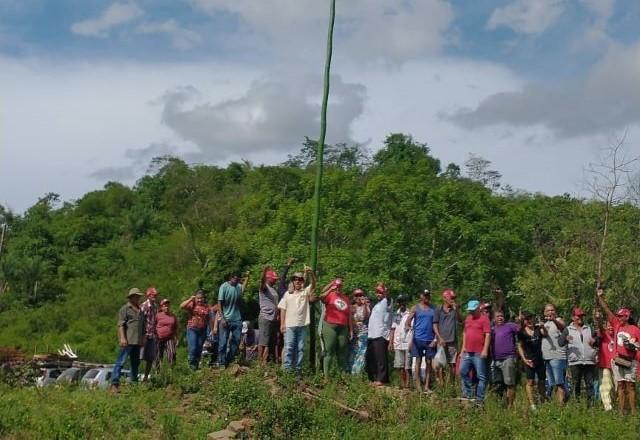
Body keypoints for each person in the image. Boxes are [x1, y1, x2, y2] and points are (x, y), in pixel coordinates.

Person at [597, 288, 640, 414]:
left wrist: (633, 345)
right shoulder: (616, 325)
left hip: (631, 361)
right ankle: (621, 412)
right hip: (618, 359)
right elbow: (608, 312)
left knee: (630, 386)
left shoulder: (634, 329)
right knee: (620, 385)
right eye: (619, 316)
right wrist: (600, 298)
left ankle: (633, 411)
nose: (619, 317)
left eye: (621, 316)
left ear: (627, 316)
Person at [277, 266, 317, 373]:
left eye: (300, 279)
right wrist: (282, 324)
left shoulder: (305, 292)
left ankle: (297, 370)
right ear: (293, 282)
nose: (298, 281)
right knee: (289, 347)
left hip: (302, 325)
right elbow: (283, 309)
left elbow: (314, 284)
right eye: (296, 279)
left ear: (302, 282)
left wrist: (311, 273)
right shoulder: (287, 294)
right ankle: (287, 370)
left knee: (300, 348)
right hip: (289, 325)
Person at [405, 289, 442, 393]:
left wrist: (436, 339)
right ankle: (418, 386)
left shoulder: (434, 308)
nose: (427, 297)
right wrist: (407, 326)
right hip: (418, 339)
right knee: (417, 361)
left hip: (430, 339)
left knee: (429, 362)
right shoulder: (415, 308)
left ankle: (426, 386)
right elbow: (408, 320)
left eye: (428, 295)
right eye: (425, 295)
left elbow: (436, 324)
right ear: (421, 296)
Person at [110, 288, 146, 393]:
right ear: (131, 297)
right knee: (120, 362)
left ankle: (134, 384)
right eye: (136, 296)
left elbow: (143, 326)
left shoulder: (141, 310)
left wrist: (143, 338)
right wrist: (122, 337)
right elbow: (121, 324)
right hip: (128, 340)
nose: (138, 298)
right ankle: (114, 384)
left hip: (137, 341)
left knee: (135, 363)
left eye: (139, 296)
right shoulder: (125, 309)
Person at [561, 307, 597, 405]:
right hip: (575, 362)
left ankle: (591, 406)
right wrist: (566, 339)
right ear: (573, 317)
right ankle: (577, 405)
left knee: (590, 384)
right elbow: (560, 342)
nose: (580, 318)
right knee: (576, 384)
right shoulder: (567, 329)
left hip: (589, 361)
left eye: (582, 316)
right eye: (578, 316)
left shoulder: (589, 328)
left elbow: (597, 341)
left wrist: (595, 341)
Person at [459, 300, 491, 404]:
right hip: (468, 351)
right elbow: (465, 333)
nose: (471, 312)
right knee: (462, 371)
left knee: (481, 376)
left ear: (478, 309)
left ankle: (479, 399)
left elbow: (487, 334)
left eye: (473, 310)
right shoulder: (468, 319)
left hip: (479, 352)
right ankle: (469, 393)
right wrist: (463, 348)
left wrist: (485, 349)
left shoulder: (484, 319)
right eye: (470, 310)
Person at [320, 277, 352, 376]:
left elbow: (349, 315)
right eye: (337, 286)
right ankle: (326, 376)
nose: (338, 288)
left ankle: (341, 374)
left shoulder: (346, 298)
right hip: (330, 325)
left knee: (342, 350)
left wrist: (350, 330)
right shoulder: (330, 295)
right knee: (329, 350)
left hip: (343, 327)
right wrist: (331, 287)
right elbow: (321, 296)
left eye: (340, 286)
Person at [218, 272, 250, 368]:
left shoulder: (238, 287)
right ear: (231, 278)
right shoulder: (223, 287)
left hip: (237, 319)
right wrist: (222, 318)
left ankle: (228, 360)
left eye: (238, 279)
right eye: (236, 279)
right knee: (223, 343)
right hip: (226, 319)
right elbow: (219, 303)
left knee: (236, 342)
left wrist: (247, 278)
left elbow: (243, 288)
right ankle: (221, 363)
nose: (237, 281)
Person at [517, 311, 547, 410]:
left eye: (530, 318)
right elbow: (520, 346)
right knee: (530, 381)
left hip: (540, 359)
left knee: (542, 381)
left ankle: (543, 401)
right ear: (524, 321)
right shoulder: (521, 332)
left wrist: (542, 326)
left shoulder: (538, 329)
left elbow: (545, 334)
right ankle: (532, 404)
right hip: (529, 360)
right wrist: (524, 359)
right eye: (527, 319)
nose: (529, 321)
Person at [491, 310, 519, 408]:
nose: (500, 318)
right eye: (498, 316)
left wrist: (520, 321)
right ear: (494, 319)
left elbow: (520, 329)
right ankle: (499, 405)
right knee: (497, 384)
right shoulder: (492, 329)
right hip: (495, 360)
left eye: (501, 316)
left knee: (510, 383)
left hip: (508, 358)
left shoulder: (510, 326)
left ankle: (510, 406)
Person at [435, 289, 463, 386]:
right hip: (441, 341)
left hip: (453, 341)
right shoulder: (439, 309)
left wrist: (457, 310)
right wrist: (439, 338)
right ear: (444, 298)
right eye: (451, 298)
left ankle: (452, 385)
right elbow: (435, 325)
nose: (452, 300)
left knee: (452, 364)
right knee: (441, 364)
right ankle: (441, 386)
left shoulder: (455, 310)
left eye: (454, 298)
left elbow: (461, 321)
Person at [366, 283, 393, 385]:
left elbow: (389, 297)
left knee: (381, 358)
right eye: (377, 292)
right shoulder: (377, 304)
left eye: (380, 292)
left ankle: (382, 379)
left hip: (381, 334)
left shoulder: (387, 302)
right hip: (372, 335)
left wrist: (385, 290)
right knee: (372, 357)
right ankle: (375, 378)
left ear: (384, 293)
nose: (378, 294)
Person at [180, 290, 214, 370]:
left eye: (201, 298)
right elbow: (182, 306)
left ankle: (196, 366)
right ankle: (191, 365)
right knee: (193, 348)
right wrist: (190, 299)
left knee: (199, 348)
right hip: (192, 329)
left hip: (203, 330)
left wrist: (212, 330)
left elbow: (209, 319)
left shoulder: (207, 307)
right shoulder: (192, 305)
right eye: (198, 298)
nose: (199, 300)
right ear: (195, 298)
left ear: (203, 298)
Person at [541, 303, 567, 404]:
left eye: (552, 310)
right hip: (547, 357)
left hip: (558, 356)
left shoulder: (559, 320)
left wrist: (554, 320)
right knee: (552, 383)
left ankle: (561, 405)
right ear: (544, 313)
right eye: (548, 311)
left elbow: (562, 327)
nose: (550, 312)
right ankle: (559, 401)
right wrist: (542, 327)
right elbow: (544, 334)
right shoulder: (545, 324)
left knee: (559, 382)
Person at [595, 309, 616, 411]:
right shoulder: (604, 334)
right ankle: (608, 408)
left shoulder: (618, 335)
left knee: (615, 388)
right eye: (608, 325)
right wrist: (599, 319)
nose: (610, 327)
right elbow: (600, 327)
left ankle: (617, 407)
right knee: (605, 387)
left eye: (612, 325)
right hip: (605, 366)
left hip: (617, 366)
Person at [389, 295, 411, 388]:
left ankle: (408, 384)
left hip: (407, 342)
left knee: (407, 366)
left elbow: (412, 328)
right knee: (399, 365)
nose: (402, 304)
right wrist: (390, 342)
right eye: (400, 302)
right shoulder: (395, 314)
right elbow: (392, 329)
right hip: (398, 342)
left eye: (403, 301)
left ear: (405, 302)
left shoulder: (410, 314)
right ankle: (402, 383)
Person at [349, 288, 370, 374]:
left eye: (360, 295)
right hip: (354, 333)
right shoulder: (351, 307)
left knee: (362, 353)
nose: (358, 297)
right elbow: (349, 320)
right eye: (356, 295)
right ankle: (351, 372)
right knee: (353, 352)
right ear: (353, 297)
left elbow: (366, 317)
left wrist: (364, 305)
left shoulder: (366, 307)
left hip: (363, 333)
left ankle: (358, 374)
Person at [140, 287, 158, 381]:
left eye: (155, 295)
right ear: (148, 295)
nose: (154, 297)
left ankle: (146, 378)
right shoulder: (144, 306)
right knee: (140, 356)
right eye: (152, 295)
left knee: (150, 358)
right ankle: (134, 377)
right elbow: (141, 321)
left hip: (152, 335)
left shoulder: (155, 306)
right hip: (145, 335)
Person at [156, 298, 178, 366]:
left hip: (169, 338)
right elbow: (153, 325)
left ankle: (172, 371)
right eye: (164, 305)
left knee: (172, 353)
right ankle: (157, 372)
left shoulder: (173, 316)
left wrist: (177, 338)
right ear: (161, 307)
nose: (166, 307)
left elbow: (176, 328)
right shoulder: (157, 315)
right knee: (158, 356)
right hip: (159, 338)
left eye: (168, 305)